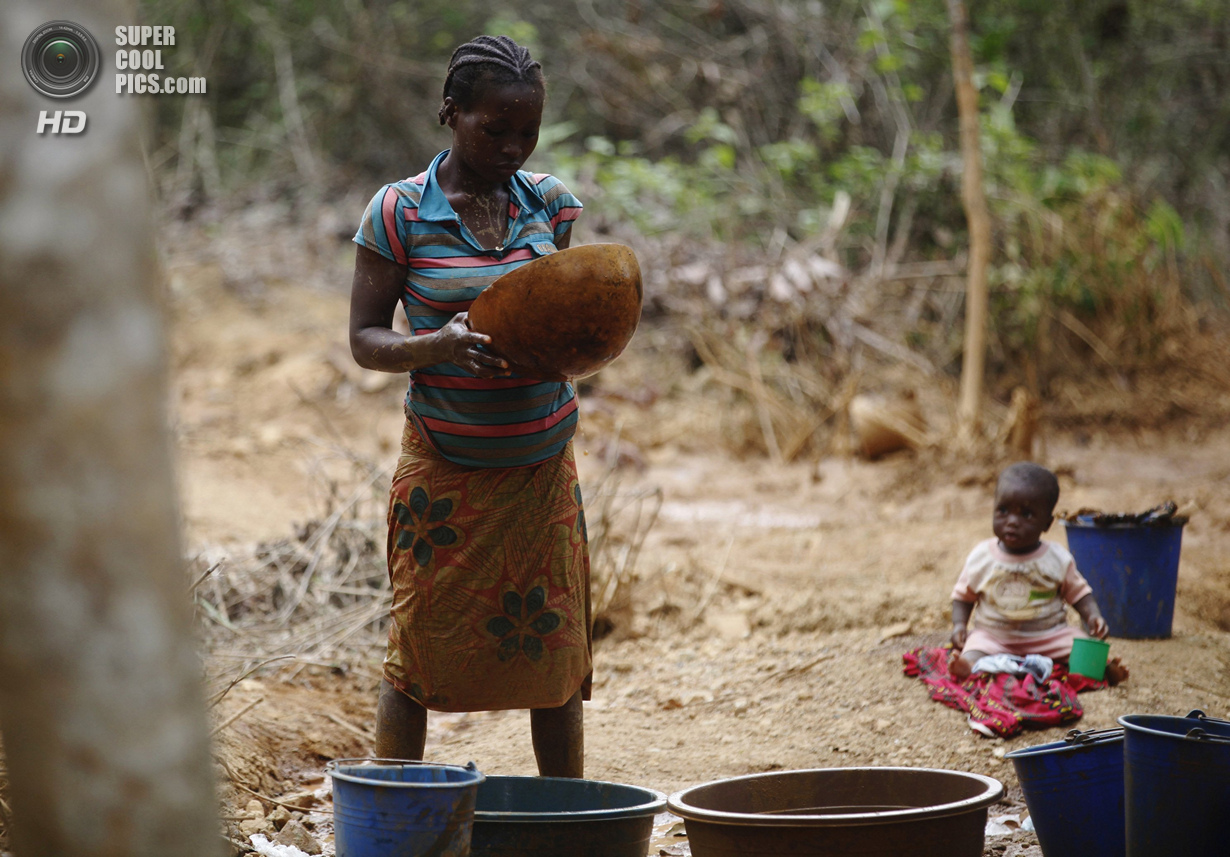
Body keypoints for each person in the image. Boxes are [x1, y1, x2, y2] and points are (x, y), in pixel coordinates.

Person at [347, 35, 590, 777]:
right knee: (416, 652)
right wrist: (437, 346)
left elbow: (567, 320)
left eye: (528, 131)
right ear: (451, 114)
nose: (515, 146)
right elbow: (363, 339)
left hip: (541, 470)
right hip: (446, 475)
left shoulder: (551, 203)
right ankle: (395, 820)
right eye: (496, 129)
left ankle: (572, 821)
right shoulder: (397, 213)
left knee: (554, 657)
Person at [949, 462, 1128, 684]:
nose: (1012, 521)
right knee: (975, 646)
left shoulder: (1056, 558)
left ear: (1047, 523)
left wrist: (1092, 615)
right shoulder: (981, 556)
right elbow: (963, 596)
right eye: (1003, 510)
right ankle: (967, 665)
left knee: (1078, 642)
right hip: (994, 637)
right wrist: (959, 625)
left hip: (1049, 636)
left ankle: (1103, 668)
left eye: (1026, 514)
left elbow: (1079, 593)